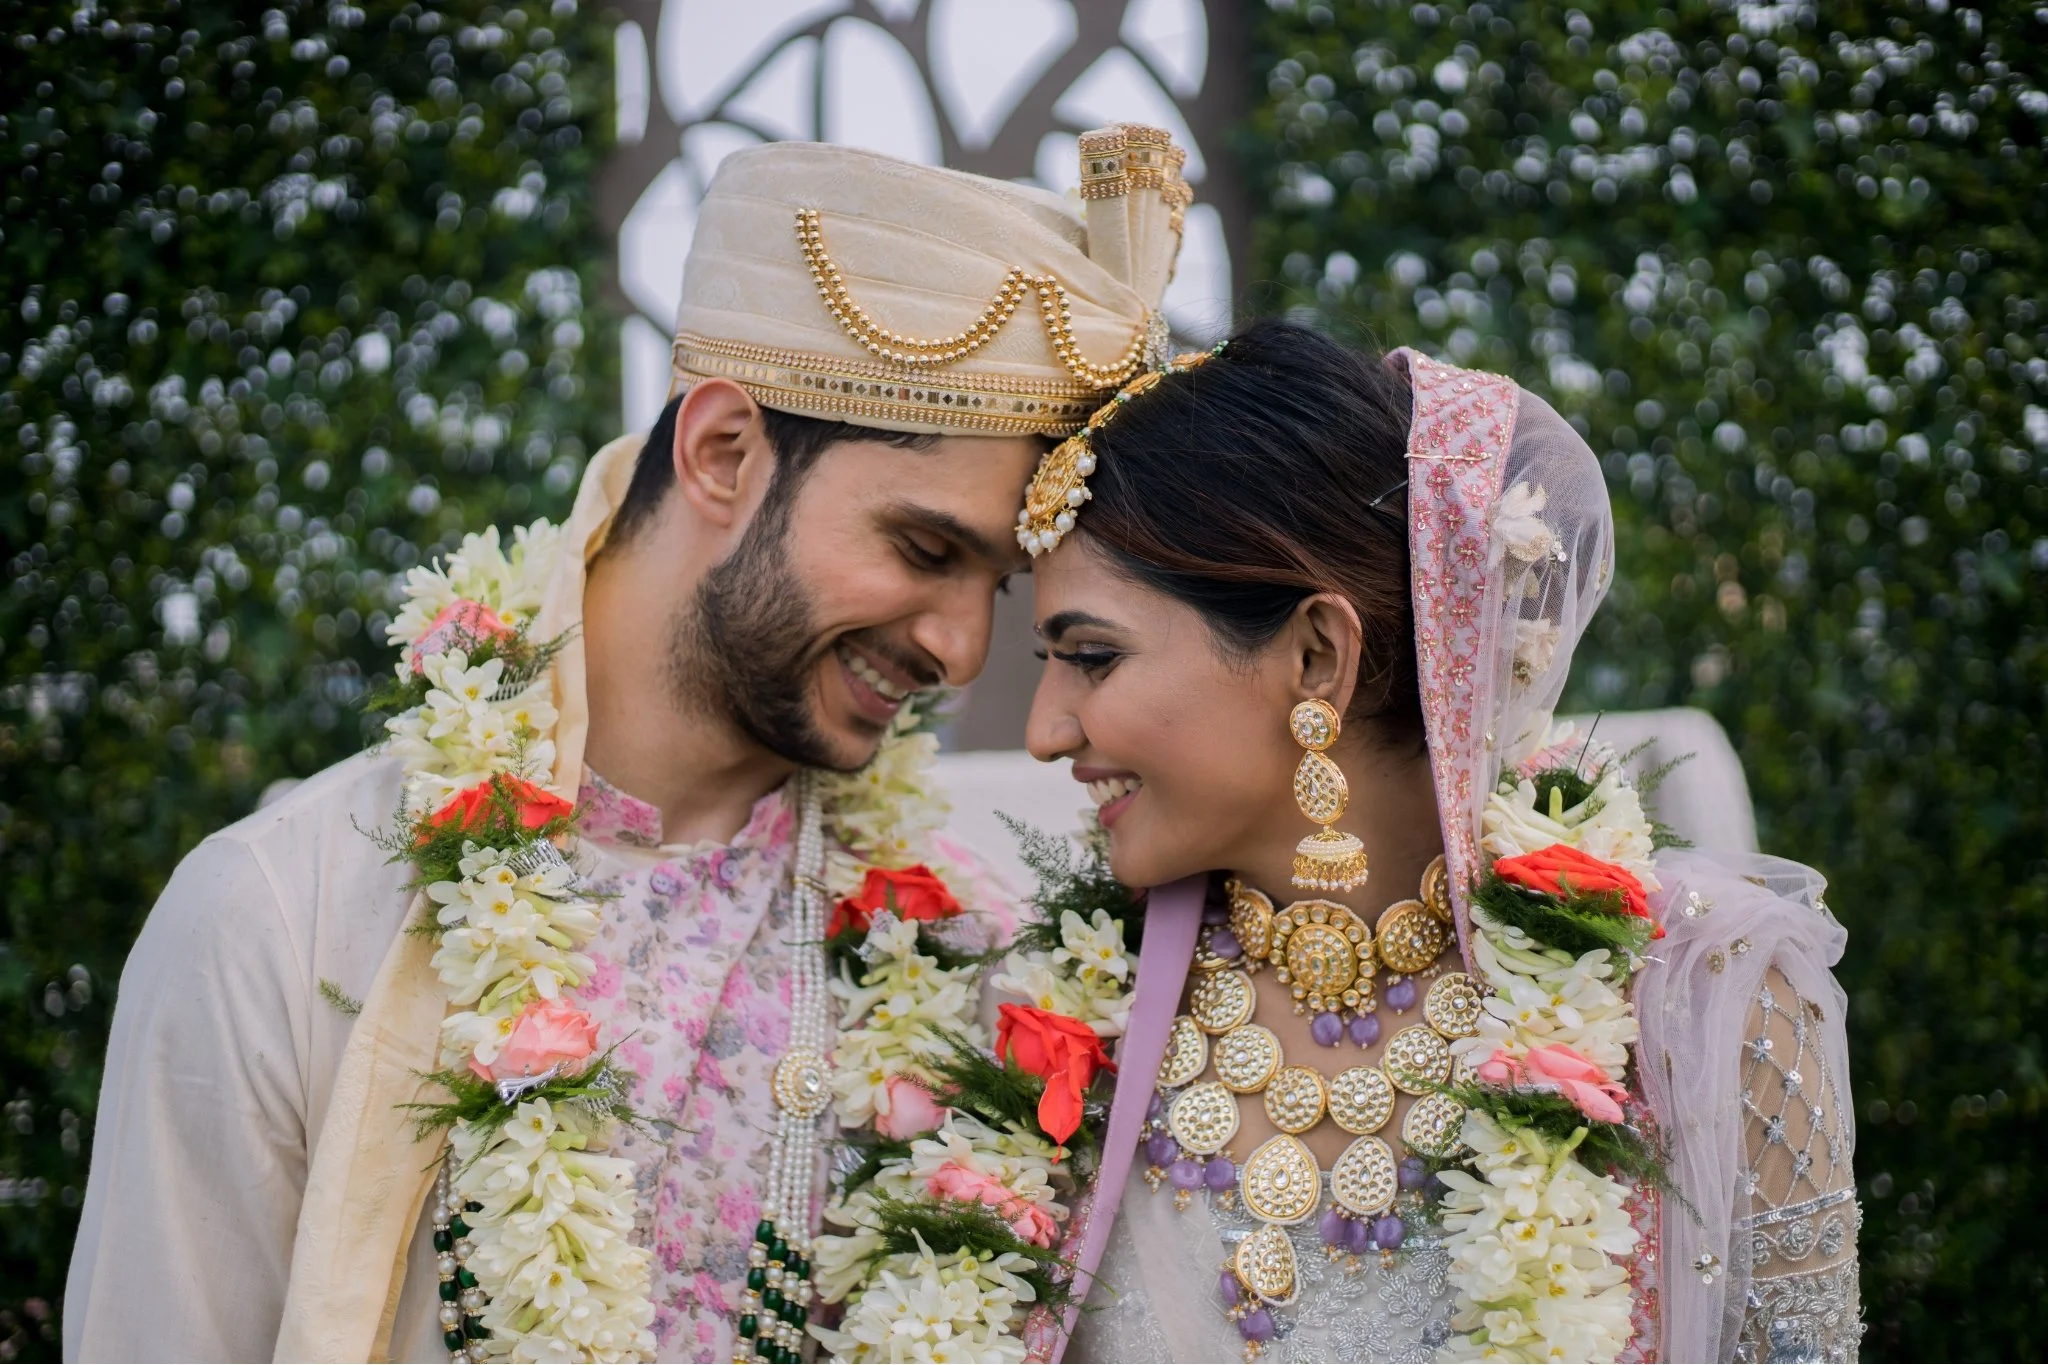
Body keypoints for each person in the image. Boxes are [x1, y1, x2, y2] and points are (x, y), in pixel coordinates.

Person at [65, 130, 1192, 1364]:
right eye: (925, 552)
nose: (963, 649)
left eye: (1000, 588)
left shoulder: (975, 935)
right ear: (721, 451)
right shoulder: (284, 918)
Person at [1014, 320, 1861, 1362]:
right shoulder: (1054, 1028)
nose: (1043, 731)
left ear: (1316, 655)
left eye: (1091, 658)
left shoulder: (1706, 1006)